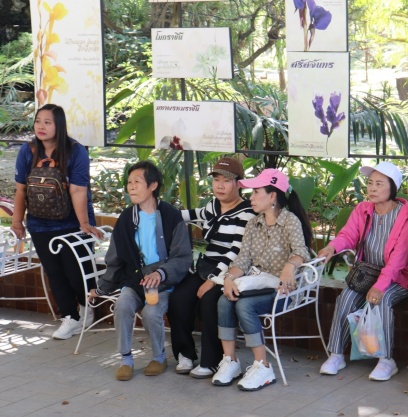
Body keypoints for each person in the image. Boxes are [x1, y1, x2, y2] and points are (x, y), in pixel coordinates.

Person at [90, 161, 191, 381]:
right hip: (135, 280)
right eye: (129, 182)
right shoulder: (126, 218)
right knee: (122, 305)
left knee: (151, 313)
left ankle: (159, 357)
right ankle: (125, 359)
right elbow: (115, 259)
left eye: (137, 181)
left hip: (163, 282)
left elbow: (182, 257)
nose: (131, 187)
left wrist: (161, 274)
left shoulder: (171, 216)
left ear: (153, 185)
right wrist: (102, 288)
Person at [11, 104, 103, 340]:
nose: (41, 126)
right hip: (39, 222)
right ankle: (69, 317)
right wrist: (17, 221)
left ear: (59, 125)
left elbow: (78, 190)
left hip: (72, 222)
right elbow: (21, 189)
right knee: (54, 272)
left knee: (77, 271)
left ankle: (87, 307)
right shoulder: (28, 151)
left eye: (47, 122)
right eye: (38, 121)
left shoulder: (75, 151)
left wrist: (84, 224)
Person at [215, 168, 312, 390]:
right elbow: (243, 259)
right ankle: (230, 361)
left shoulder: (290, 221)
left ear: (272, 196)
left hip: (283, 291)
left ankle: (263, 365)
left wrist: (289, 267)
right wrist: (229, 277)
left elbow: (301, 251)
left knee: (245, 306)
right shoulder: (253, 224)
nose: (251, 197)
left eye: (256, 192)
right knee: (224, 300)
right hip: (257, 284)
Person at [317, 162, 408, 381]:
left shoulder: (406, 216)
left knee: (381, 300)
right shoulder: (363, 209)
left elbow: (398, 259)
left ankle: (386, 360)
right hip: (366, 273)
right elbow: (348, 235)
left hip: (397, 277)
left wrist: (380, 286)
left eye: (379, 184)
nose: (372, 188)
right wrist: (332, 247)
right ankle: (336, 355)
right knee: (346, 298)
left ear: (393, 187)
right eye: (370, 183)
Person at [168, 158, 255, 377]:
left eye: (226, 181)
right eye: (216, 180)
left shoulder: (247, 213)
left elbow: (236, 251)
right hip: (206, 266)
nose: (220, 186)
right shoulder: (213, 206)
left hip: (230, 272)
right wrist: (163, 213)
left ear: (239, 184)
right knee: (178, 298)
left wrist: (213, 280)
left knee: (210, 301)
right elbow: (193, 214)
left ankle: (212, 361)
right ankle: (185, 354)